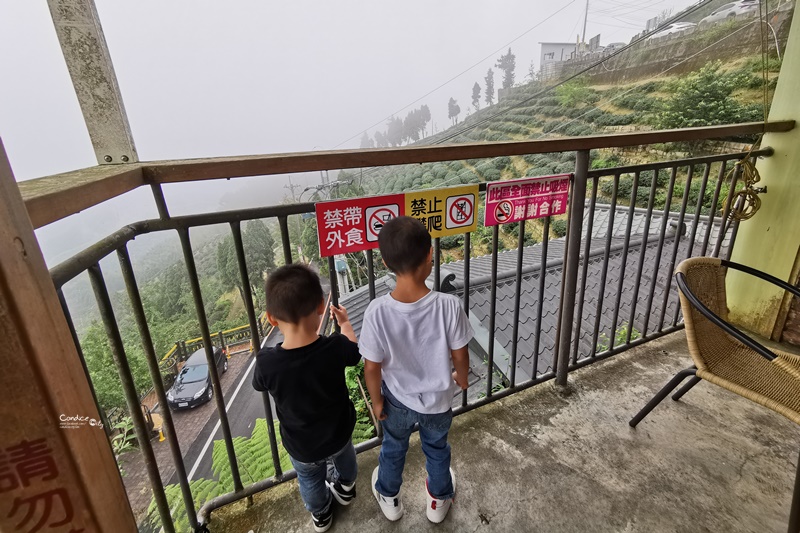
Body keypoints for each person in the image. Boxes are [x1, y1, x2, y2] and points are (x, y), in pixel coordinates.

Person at [359, 216, 473, 524]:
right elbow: (460, 355)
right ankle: (438, 502)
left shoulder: (377, 312)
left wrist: (377, 400)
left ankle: (390, 497)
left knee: (394, 447)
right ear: (430, 257)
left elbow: (372, 367)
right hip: (438, 401)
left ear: (384, 261)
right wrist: (461, 380)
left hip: (396, 399)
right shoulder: (448, 306)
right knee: (437, 449)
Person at [252, 263, 361, 533]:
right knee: (346, 461)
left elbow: (259, 385)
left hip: (301, 444)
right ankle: (346, 488)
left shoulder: (267, 363)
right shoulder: (334, 347)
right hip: (338, 433)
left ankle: (321, 515)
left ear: (271, 319)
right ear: (322, 307)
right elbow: (354, 351)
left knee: (310, 480)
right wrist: (345, 324)